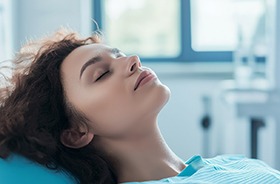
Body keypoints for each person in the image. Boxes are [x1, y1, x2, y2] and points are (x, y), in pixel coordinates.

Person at [0, 28, 279, 184]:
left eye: (119, 55)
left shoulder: (235, 163)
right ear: (76, 132)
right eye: (102, 74)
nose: (132, 59)